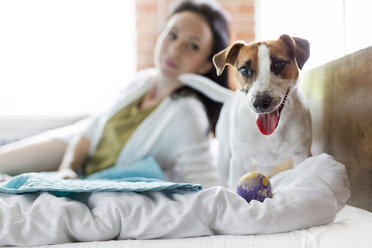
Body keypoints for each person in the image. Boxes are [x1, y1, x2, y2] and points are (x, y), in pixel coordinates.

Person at [0, 0, 230, 188]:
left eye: (192, 46)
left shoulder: (189, 113)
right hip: (77, 148)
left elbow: (206, 185)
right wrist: (67, 169)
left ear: (204, 66)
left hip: (92, 174)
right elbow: (90, 129)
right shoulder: (143, 80)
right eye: (172, 35)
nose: (174, 49)